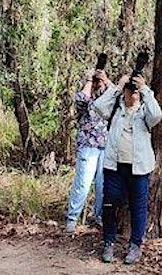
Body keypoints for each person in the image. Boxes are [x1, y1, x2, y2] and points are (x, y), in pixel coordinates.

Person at [92, 71, 162, 265]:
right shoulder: (116, 109)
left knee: (138, 207)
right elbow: (97, 106)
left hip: (138, 168)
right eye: (129, 91)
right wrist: (116, 88)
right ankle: (108, 242)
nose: (132, 95)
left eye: (135, 92)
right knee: (109, 204)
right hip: (114, 167)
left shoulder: (144, 113)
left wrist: (145, 89)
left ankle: (135, 245)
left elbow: (157, 115)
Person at [64, 68, 108, 233]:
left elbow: (116, 93)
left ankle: (99, 217)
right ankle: (72, 219)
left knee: (102, 185)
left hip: (105, 147)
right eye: (96, 82)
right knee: (82, 184)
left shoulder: (108, 100)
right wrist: (89, 80)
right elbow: (80, 99)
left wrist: (105, 79)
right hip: (88, 147)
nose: (98, 84)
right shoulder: (87, 99)